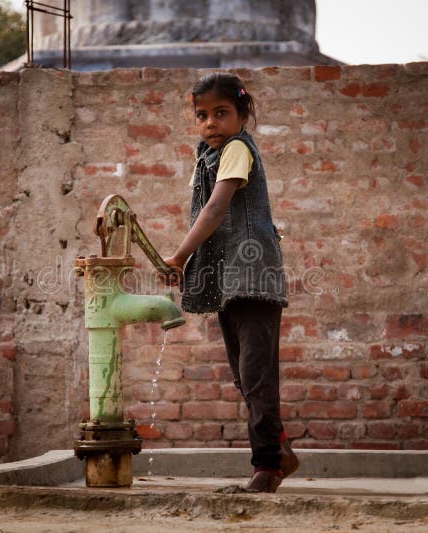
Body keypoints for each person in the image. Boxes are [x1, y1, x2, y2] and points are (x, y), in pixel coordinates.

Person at [163, 72, 299, 493]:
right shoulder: (206, 155)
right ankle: (281, 451)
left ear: (242, 114)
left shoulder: (238, 149)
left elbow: (215, 208)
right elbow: (199, 208)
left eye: (221, 113)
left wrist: (180, 255)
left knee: (256, 375)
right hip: (228, 279)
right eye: (201, 115)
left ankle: (268, 468)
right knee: (245, 375)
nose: (210, 123)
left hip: (252, 276)